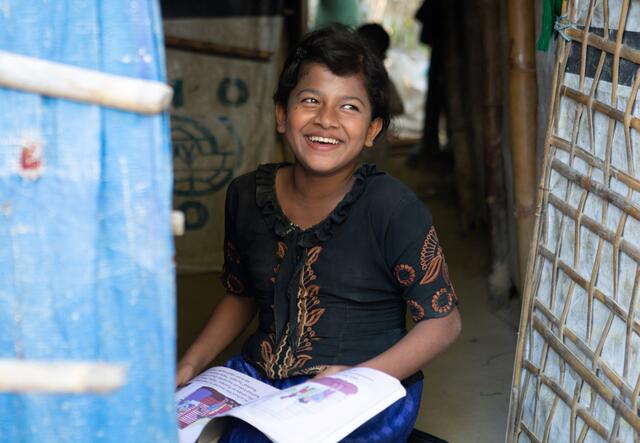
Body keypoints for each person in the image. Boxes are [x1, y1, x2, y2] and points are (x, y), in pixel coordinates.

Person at [176, 25, 461, 443]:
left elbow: (443, 323)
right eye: (310, 100)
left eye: (349, 107)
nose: (326, 119)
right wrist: (190, 364)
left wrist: (360, 378)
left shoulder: (391, 207)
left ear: (372, 131)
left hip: (361, 390)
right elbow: (241, 294)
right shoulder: (246, 196)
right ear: (280, 114)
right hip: (260, 383)